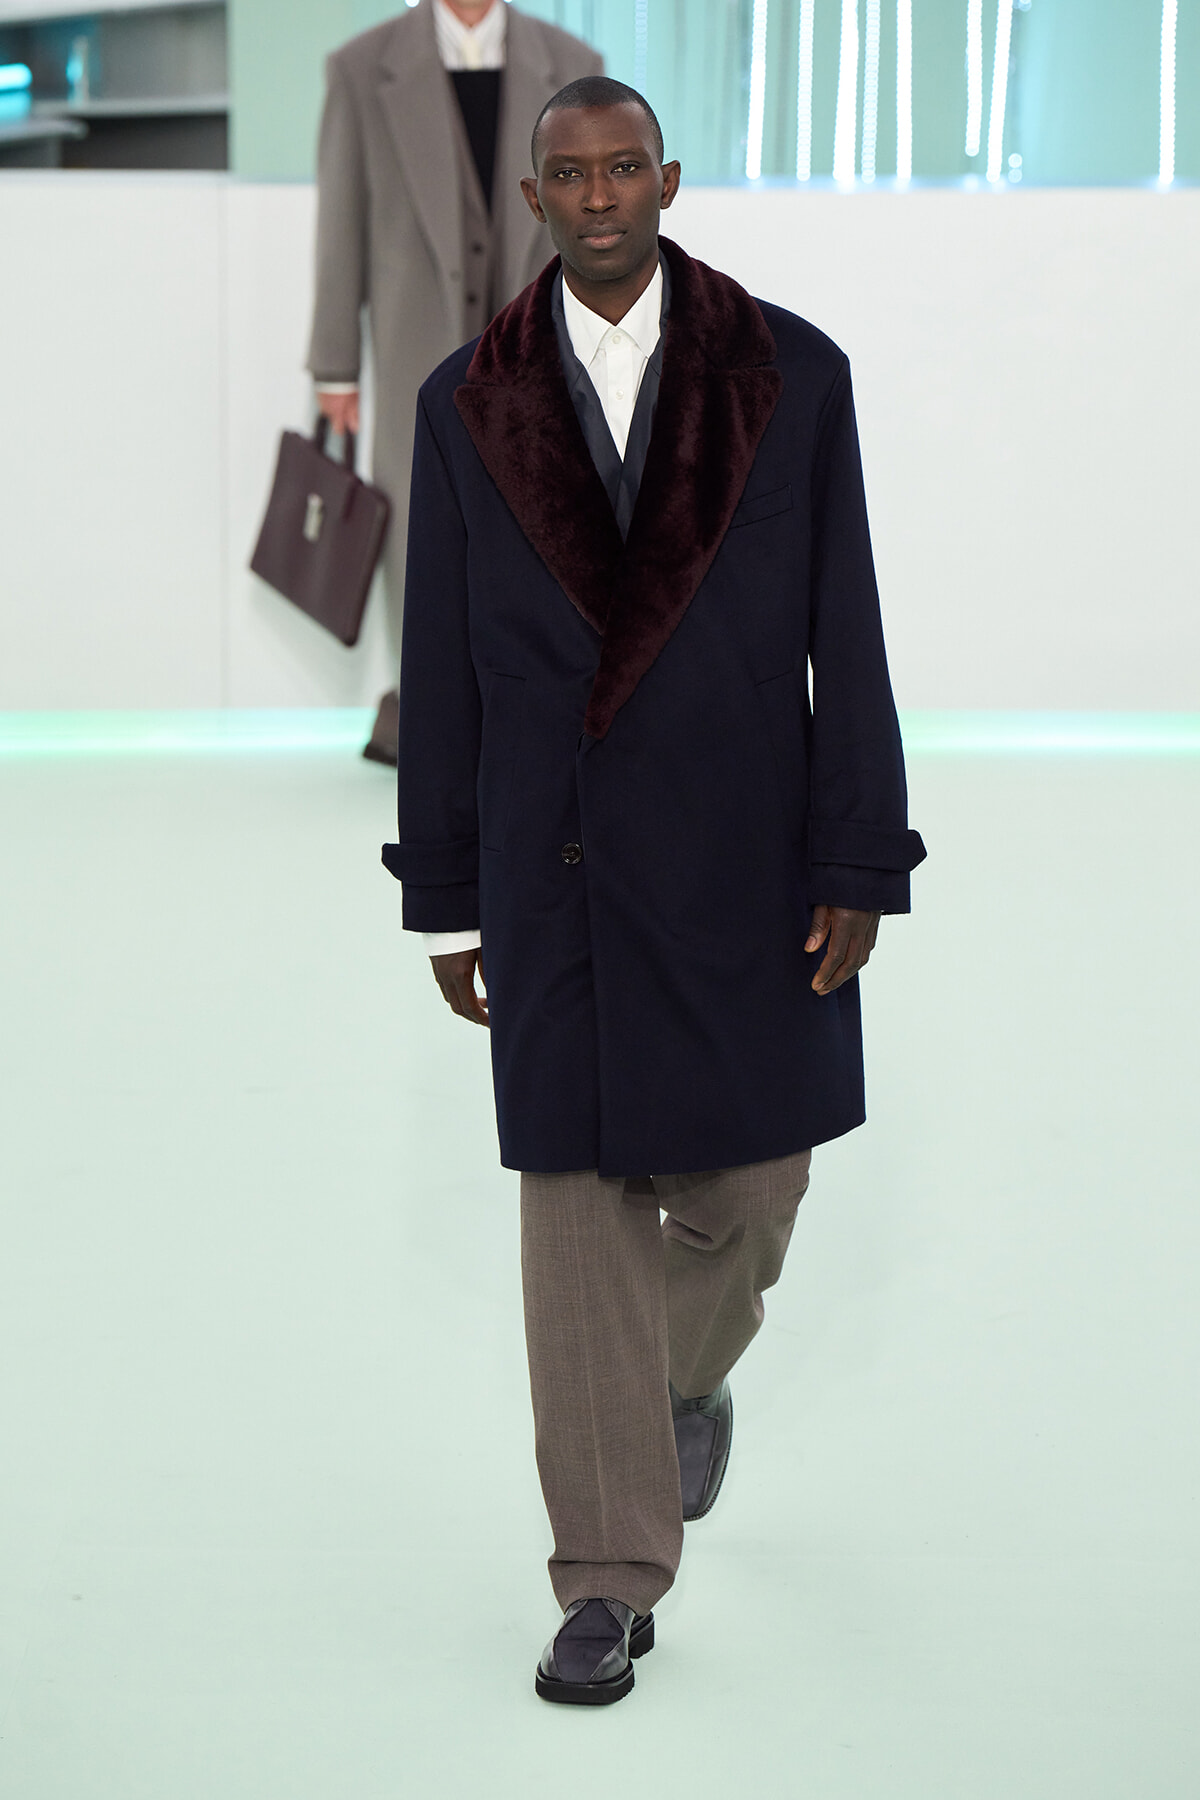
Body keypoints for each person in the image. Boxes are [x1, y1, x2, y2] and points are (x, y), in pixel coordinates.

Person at [382, 77, 927, 1704]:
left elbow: (848, 627)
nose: (602, 195)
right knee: (576, 1212)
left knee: (754, 1190)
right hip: (554, 860)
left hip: (748, 852)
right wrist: (448, 890)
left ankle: (681, 1387)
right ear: (534, 199)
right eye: (573, 174)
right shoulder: (464, 401)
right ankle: (608, 1578)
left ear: (670, 181)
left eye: (628, 168)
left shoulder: (793, 374)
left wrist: (858, 857)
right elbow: (443, 661)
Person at [306, 0, 602, 765]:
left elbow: (598, 223)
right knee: (419, 528)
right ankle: (427, 713)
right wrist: (334, 366)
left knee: (543, 525)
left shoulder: (574, 65)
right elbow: (341, 222)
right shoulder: (360, 68)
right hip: (415, 346)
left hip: (543, 347)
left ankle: (533, 711)